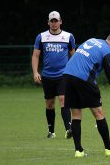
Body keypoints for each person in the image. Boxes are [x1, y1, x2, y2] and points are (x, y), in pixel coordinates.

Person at [63, 31, 110, 157]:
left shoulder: (91, 39)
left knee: (76, 114)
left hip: (67, 75)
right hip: (83, 78)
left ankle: (79, 151)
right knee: (99, 113)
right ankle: (109, 148)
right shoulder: (107, 52)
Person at [31, 11, 76, 139]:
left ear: (61, 21)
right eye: (52, 21)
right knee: (50, 104)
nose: (54, 23)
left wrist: (74, 71)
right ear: (48, 22)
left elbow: (74, 55)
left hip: (63, 75)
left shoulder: (68, 37)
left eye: (56, 21)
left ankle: (69, 129)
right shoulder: (41, 37)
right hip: (47, 76)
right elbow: (35, 55)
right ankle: (51, 131)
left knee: (63, 100)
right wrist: (35, 72)